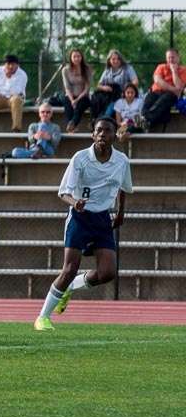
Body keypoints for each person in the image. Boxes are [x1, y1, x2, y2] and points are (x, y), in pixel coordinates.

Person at [34, 116, 133, 331]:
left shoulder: (122, 161)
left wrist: (121, 212)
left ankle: (71, 286)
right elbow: (63, 192)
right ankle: (42, 318)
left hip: (102, 219)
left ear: (114, 135)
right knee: (69, 268)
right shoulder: (80, 158)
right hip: (80, 217)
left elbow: (124, 188)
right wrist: (75, 203)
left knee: (107, 272)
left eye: (107, 131)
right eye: (98, 130)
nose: (101, 134)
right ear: (92, 134)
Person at [140, 48, 185, 131]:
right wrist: (174, 89)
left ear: (178, 57)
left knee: (167, 98)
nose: (170, 60)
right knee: (147, 103)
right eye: (168, 57)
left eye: (173, 57)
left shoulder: (183, 70)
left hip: (170, 96)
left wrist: (174, 71)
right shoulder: (161, 67)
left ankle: (146, 120)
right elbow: (158, 80)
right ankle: (147, 121)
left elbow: (179, 86)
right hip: (155, 92)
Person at [90, 49, 138, 123]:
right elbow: (99, 85)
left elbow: (135, 82)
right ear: (109, 60)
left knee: (114, 102)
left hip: (121, 93)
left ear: (121, 59)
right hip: (108, 94)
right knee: (96, 97)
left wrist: (126, 90)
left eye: (118, 59)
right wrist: (104, 87)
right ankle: (96, 119)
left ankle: (103, 119)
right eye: (113, 59)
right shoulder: (107, 70)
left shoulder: (127, 68)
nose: (116, 61)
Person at [60, 49, 92, 134]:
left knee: (80, 106)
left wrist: (76, 100)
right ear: (70, 58)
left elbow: (87, 88)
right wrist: (72, 100)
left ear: (82, 57)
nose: (77, 58)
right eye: (74, 56)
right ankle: (71, 126)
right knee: (67, 104)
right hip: (70, 95)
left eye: (78, 56)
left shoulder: (87, 69)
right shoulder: (65, 70)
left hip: (83, 96)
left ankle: (72, 123)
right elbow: (67, 87)